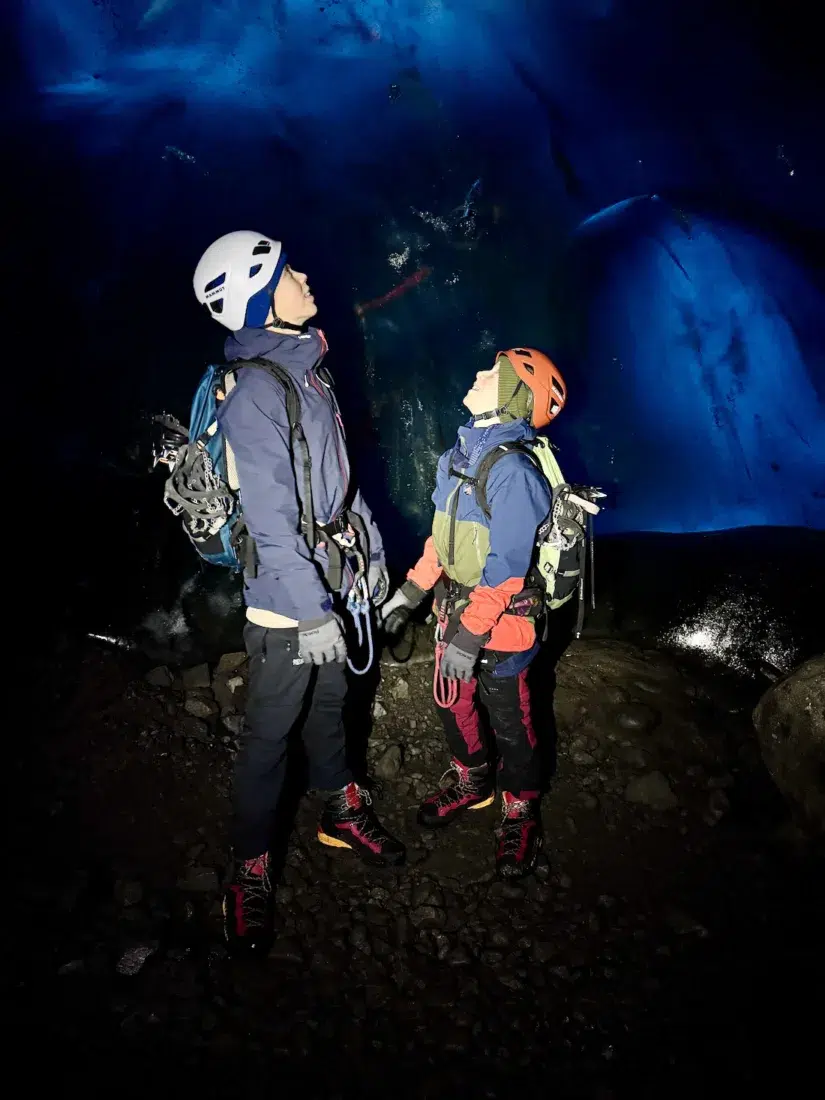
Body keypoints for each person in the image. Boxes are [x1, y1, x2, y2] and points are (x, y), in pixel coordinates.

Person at [192, 230, 406, 954]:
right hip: (288, 599)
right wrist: (311, 611)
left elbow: (339, 486)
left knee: (332, 705)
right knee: (268, 737)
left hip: (332, 579)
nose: (304, 275)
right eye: (287, 272)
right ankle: (248, 871)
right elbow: (271, 517)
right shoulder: (256, 391)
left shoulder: (307, 372)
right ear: (258, 298)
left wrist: (370, 557)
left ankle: (341, 807)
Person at [381, 348, 572, 878]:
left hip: (502, 622)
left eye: (494, 373)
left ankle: (521, 808)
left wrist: (468, 637)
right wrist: (412, 592)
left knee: (511, 719)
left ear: (514, 397)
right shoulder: (457, 458)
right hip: (457, 613)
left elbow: (509, 568)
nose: (479, 373)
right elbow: (444, 539)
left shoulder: (514, 472)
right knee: (452, 702)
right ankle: (472, 780)